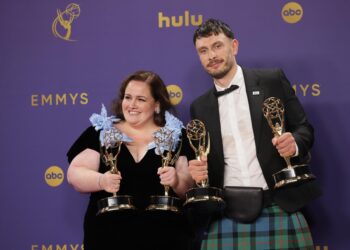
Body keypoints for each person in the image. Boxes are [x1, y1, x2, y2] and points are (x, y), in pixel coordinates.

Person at [187, 18, 322, 250]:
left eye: (218, 46)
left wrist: (295, 143)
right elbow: (205, 159)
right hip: (226, 213)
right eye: (204, 50)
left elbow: (304, 129)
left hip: (279, 205)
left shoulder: (271, 81)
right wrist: (199, 173)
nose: (212, 55)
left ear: (234, 46)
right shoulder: (199, 107)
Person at [67, 70, 195, 250]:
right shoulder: (101, 131)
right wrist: (101, 180)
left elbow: (187, 188)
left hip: (167, 239)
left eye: (141, 99)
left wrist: (176, 180)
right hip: (107, 238)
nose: (132, 105)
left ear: (157, 105)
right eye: (128, 97)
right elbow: (75, 174)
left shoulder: (177, 136)